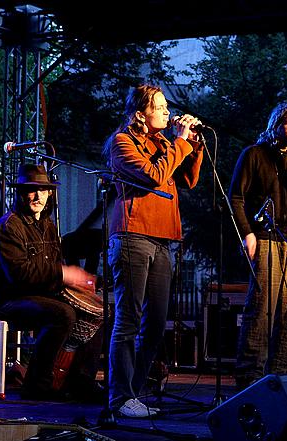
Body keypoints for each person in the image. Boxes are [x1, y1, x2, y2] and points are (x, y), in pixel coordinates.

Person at [103, 83, 203, 418]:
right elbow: (154, 176)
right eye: (159, 107)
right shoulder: (123, 143)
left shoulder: (163, 143)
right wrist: (179, 142)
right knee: (128, 318)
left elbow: (188, 179)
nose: (166, 112)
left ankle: (137, 390)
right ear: (140, 114)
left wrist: (194, 144)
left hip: (162, 238)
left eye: (165, 107)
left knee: (157, 322)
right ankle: (120, 397)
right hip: (133, 234)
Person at [0, 163, 105, 402]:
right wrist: (64, 275)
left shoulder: (48, 226)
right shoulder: (9, 226)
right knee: (63, 313)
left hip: (40, 295)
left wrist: (79, 284)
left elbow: (51, 268)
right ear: (21, 193)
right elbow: (20, 275)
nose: (38, 195)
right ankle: (36, 384)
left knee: (99, 310)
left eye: (43, 190)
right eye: (31, 190)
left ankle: (81, 381)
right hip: (10, 299)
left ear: (50, 193)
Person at [229, 102, 287, 389]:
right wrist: (247, 233)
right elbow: (236, 198)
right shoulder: (254, 155)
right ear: (276, 125)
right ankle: (249, 378)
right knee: (261, 307)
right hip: (265, 237)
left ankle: (281, 377)